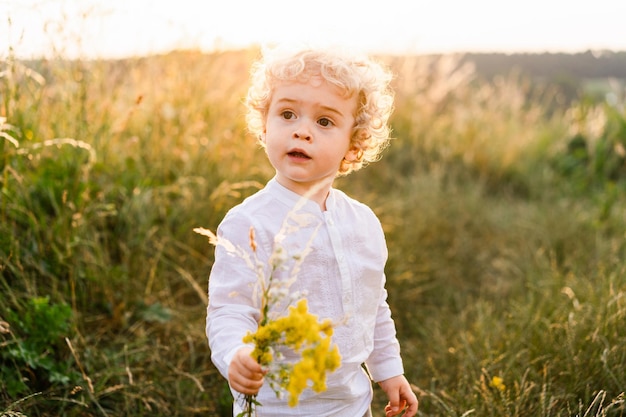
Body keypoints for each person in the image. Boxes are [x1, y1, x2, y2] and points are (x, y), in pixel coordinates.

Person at [206, 44, 419, 417]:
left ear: (353, 144)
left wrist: (389, 370)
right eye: (287, 114)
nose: (302, 131)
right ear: (265, 123)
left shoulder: (363, 222)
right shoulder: (249, 222)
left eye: (324, 122)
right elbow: (229, 309)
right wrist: (236, 353)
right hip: (275, 407)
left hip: (352, 405)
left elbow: (374, 306)